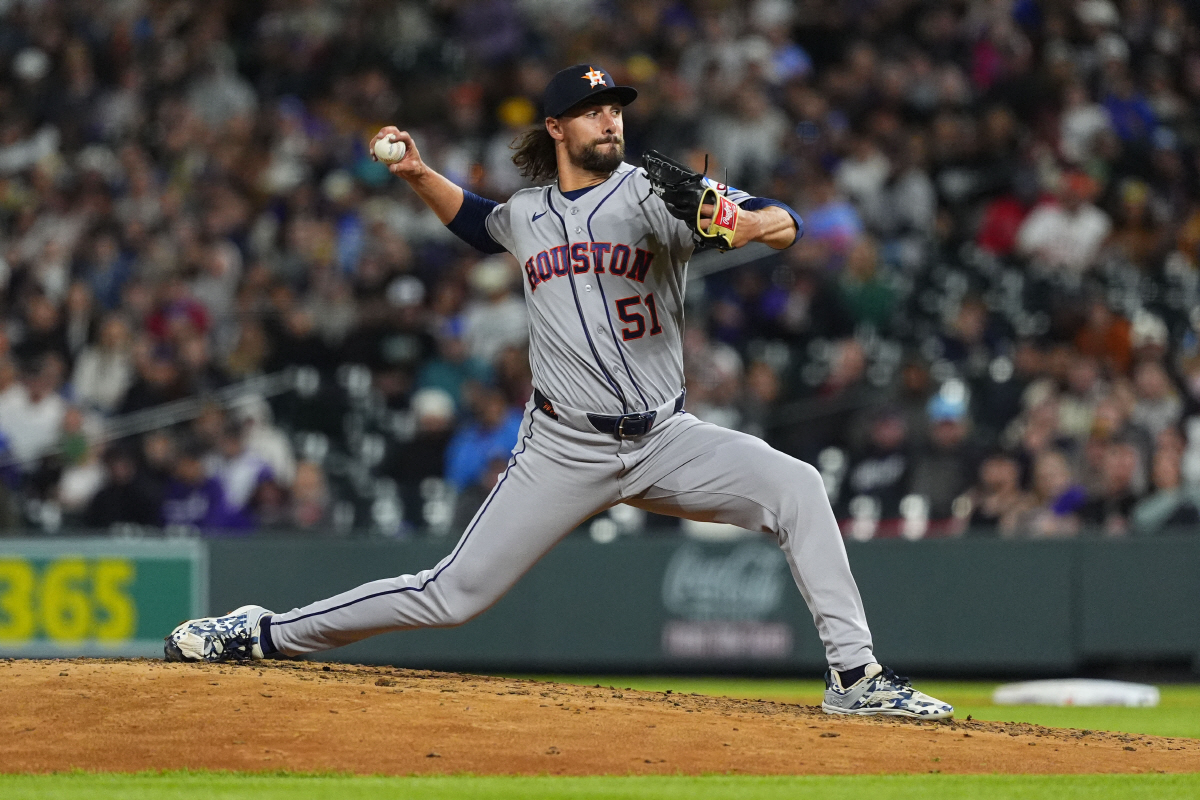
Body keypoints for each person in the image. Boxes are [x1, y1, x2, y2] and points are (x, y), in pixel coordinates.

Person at [165, 64, 952, 719]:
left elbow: (784, 224)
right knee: (451, 595)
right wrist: (415, 172)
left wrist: (744, 224)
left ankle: (855, 678)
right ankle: (262, 633)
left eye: (613, 107)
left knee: (798, 487)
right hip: (562, 446)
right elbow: (479, 222)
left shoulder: (652, 193)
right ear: (556, 128)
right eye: (590, 110)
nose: (608, 120)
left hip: (664, 440)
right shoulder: (529, 213)